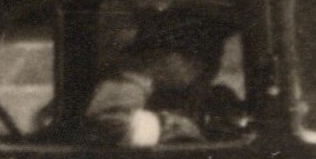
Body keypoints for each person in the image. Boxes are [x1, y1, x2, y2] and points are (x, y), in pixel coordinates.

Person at [82, 9, 247, 146]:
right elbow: (109, 125)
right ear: (163, 55)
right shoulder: (125, 88)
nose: (209, 66)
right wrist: (168, 126)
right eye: (195, 55)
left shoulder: (213, 96)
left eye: (215, 54)